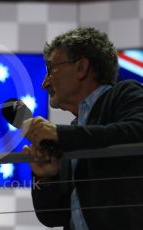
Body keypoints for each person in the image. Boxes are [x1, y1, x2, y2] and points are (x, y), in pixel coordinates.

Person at [22, 27, 143, 229]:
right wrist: (45, 178)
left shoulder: (124, 93)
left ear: (81, 67)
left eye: (51, 69)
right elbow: (51, 218)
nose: (44, 83)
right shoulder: (74, 132)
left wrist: (60, 134)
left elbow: (139, 131)